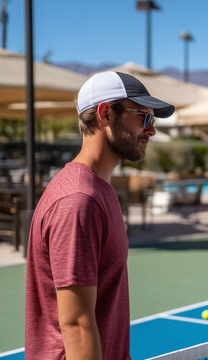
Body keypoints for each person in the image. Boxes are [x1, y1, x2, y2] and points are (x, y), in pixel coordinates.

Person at [25, 71, 174, 359]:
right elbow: (77, 325)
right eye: (143, 116)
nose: (152, 129)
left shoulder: (98, 190)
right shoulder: (79, 201)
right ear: (106, 114)